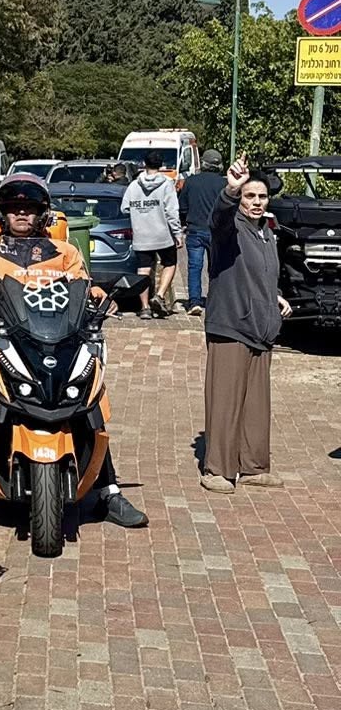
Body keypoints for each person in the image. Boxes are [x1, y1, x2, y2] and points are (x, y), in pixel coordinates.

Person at [0, 173, 149, 528]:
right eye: (13, 209)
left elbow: (84, 287)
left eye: (29, 209)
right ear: (2, 214)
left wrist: (102, 298)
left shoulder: (65, 252)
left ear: (42, 214)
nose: (21, 215)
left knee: (89, 400)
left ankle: (108, 491)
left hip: (55, 340)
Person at [201, 155, 291, 491]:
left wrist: (276, 296)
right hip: (231, 325)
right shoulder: (230, 227)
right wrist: (230, 189)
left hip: (261, 327)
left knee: (256, 404)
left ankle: (254, 466)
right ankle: (217, 469)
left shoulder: (266, 231)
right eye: (249, 196)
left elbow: (261, 273)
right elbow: (218, 217)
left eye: (261, 196)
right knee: (226, 400)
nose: (255, 202)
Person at [122, 150, 183, 316]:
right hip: (163, 234)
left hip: (141, 234)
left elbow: (124, 208)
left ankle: (144, 307)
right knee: (170, 263)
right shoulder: (166, 184)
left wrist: (139, 212)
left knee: (143, 269)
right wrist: (177, 233)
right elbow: (172, 212)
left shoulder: (134, 185)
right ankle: (160, 294)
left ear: (144, 164)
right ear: (161, 165)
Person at [179, 148, 225, 316]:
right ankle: (215, 300)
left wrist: (184, 222)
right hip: (217, 232)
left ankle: (194, 302)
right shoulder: (223, 184)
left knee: (194, 267)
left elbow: (182, 207)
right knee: (216, 267)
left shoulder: (191, 182)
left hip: (195, 229)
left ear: (203, 164)